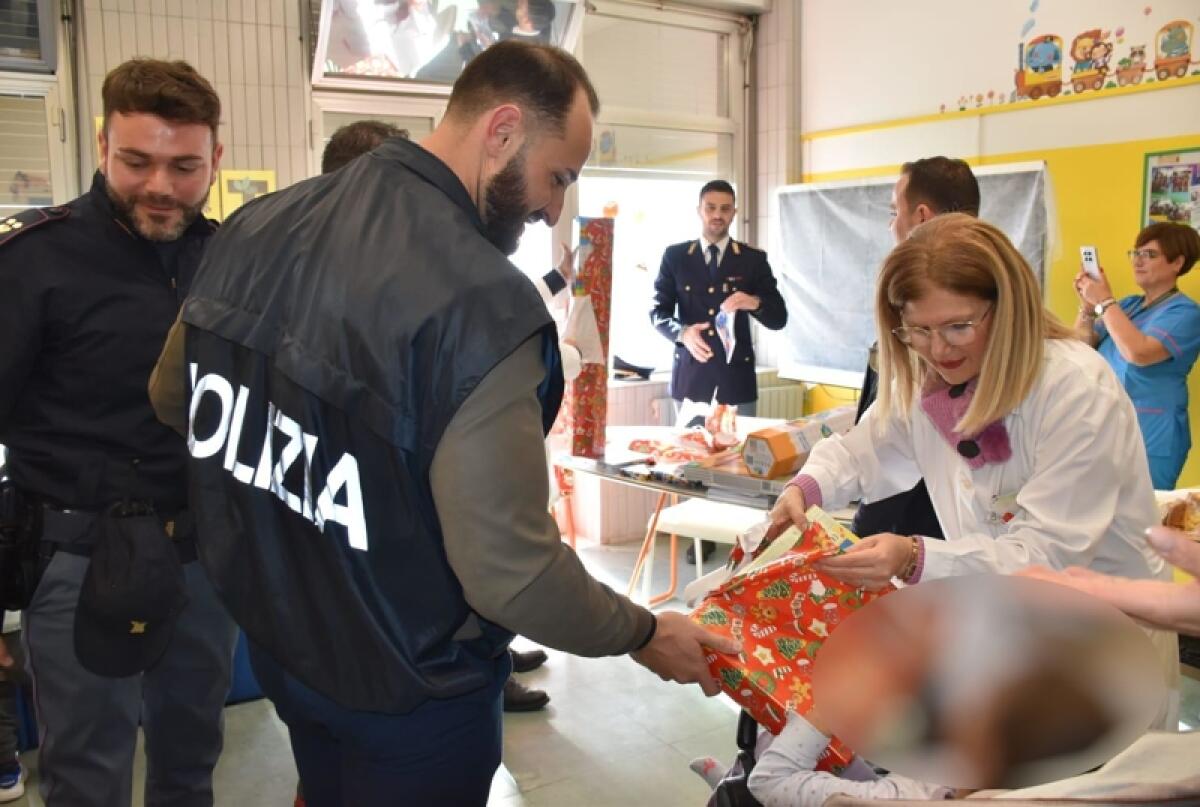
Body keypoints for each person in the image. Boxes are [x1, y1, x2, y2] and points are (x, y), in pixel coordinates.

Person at [150, 40, 737, 807]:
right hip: (410, 688)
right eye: (558, 176)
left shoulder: (258, 225)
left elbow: (173, 395)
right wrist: (644, 631)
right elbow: (512, 571)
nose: (553, 209)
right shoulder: (482, 305)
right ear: (502, 131)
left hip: (285, 645)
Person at [0, 59, 236, 806]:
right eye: (136, 162)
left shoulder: (233, 261)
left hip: (201, 554)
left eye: (184, 167)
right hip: (77, 554)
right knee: (87, 777)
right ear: (102, 144)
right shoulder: (32, 261)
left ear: (215, 158)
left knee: (192, 761)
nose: (160, 186)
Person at [322, 117, 554, 714]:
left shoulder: (437, 276)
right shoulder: (352, 281)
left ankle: (497, 655)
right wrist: (640, 634)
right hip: (380, 570)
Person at [651, 179, 787, 561]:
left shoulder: (752, 260)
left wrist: (753, 301)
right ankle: (700, 538)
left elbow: (779, 317)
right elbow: (657, 312)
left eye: (725, 209)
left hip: (735, 378)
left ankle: (740, 540)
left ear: (734, 212)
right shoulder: (676, 256)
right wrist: (682, 333)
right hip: (692, 375)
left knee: (742, 464)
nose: (717, 215)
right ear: (699, 210)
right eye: (711, 207)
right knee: (692, 461)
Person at [852, 156, 981, 543]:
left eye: (896, 212)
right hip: (939, 510)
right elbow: (883, 432)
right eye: (919, 331)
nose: (939, 346)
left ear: (921, 216)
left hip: (924, 510)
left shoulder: (1068, 381)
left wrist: (868, 531)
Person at [1073, 222, 1200, 490]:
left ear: (1177, 263)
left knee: (1144, 509)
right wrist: (1087, 310)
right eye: (1135, 253)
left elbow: (1138, 352)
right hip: (1106, 426)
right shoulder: (1129, 305)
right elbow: (1080, 348)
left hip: (1151, 432)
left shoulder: (1186, 313)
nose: (1138, 261)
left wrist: (1105, 301)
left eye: (1150, 254)